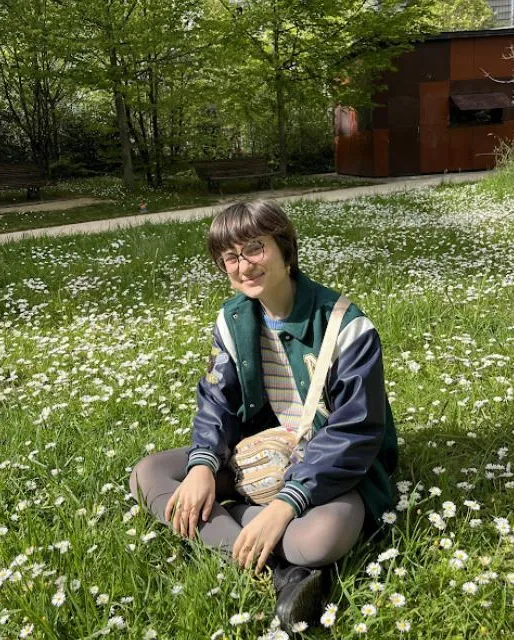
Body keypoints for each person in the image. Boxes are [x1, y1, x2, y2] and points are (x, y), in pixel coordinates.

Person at [129, 200, 397, 631]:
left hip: (329, 471)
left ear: (284, 248)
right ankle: (284, 570)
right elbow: (216, 400)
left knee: (321, 537)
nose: (244, 266)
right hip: (257, 459)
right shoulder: (233, 319)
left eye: (255, 249)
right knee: (148, 475)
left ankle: (255, 540)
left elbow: (356, 432)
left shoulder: (346, 325)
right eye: (230, 257)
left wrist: (289, 503)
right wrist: (202, 465)